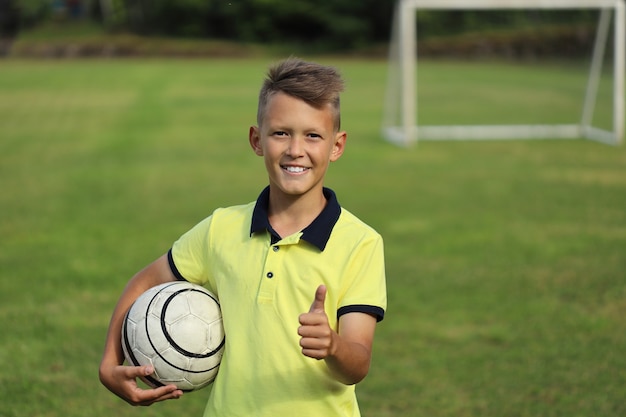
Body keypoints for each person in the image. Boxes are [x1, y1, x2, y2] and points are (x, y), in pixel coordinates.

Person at [99, 57, 387, 417]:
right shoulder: (221, 228)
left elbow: (358, 363)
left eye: (313, 135)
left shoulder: (360, 243)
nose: (296, 149)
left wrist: (332, 345)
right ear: (257, 139)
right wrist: (110, 361)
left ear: (337, 145)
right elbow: (144, 283)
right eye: (281, 132)